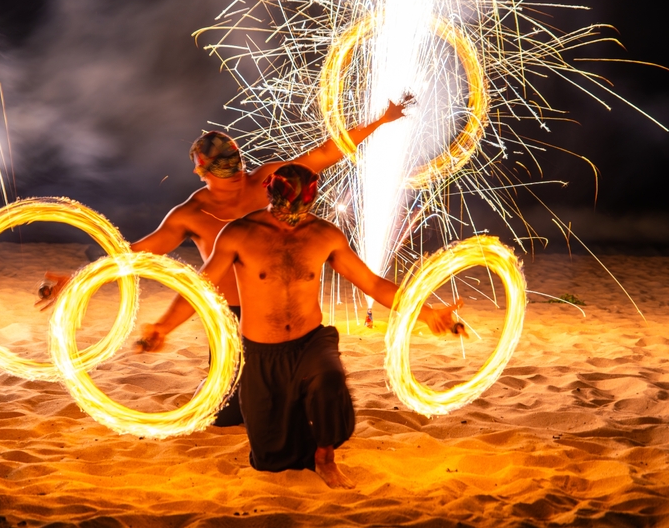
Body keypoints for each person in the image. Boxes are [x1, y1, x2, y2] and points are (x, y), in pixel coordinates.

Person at [36, 97, 414, 426]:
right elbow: (139, 252)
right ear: (201, 172)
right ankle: (225, 385)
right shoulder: (191, 213)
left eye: (233, 162)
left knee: (298, 401)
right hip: (230, 317)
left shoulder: (270, 180)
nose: (231, 171)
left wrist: (379, 122)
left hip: (282, 305)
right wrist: (80, 277)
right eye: (220, 165)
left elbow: (323, 154)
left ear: (241, 159)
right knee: (226, 414)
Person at [138, 164, 464, 488]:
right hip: (261, 352)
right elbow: (201, 286)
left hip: (311, 341)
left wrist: (426, 312)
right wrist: (164, 327)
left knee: (329, 378)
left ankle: (324, 457)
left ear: (311, 200)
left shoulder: (324, 235)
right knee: (270, 456)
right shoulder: (239, 233)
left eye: (299, 206)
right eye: (285, 205)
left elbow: (373, 283)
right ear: (271, 196)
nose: (291, 214)